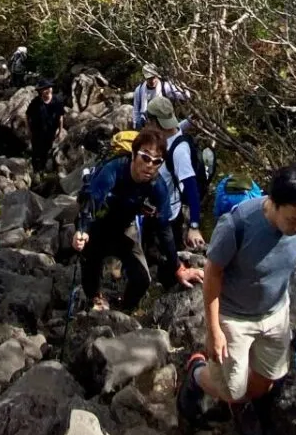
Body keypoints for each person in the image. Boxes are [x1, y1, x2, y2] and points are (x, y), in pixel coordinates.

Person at [178, 163, 296, 435]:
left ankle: (239, 405)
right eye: (294, 220)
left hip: (276, 312)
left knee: (268, 380)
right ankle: (196, 372)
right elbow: (213, 274)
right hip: (235, 317)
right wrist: (214, 329)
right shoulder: (238, 225)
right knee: (231, 387)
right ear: (274, 203)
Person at [73, 132, 203, 311]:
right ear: (134, 155)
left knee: (142, 279)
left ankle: (124, 310)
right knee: (90, 263)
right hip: (98, 224)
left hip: (124, 228)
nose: (150, 165)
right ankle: (94, 297)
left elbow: (164, 229)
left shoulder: (157, 187)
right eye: (145, 157)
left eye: (157, 161)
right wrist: (82, 231)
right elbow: (91, 202)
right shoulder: (114, 170)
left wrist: (178, 268)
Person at [143, 96, 205, 248]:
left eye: (149, 119)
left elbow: (191, 188)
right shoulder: (169, 133)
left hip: (166, 218)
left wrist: (194, 226)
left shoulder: (179, 152)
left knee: (164, 265)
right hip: (151, 210)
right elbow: (177, 129)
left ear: (156, 122)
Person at [26, 79, 67, 177]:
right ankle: (35, 171)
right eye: (44, 89)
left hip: (50, 131)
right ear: (40, 91)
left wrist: (60, 130)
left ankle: (43, 170)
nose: (47, 90)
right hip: (37, 131)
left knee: (46, 149)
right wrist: (28, 129)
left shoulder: (57, 101)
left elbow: (61, 117)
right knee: (36, 151)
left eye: (48, 88)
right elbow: (27, 115)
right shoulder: (36, 102)